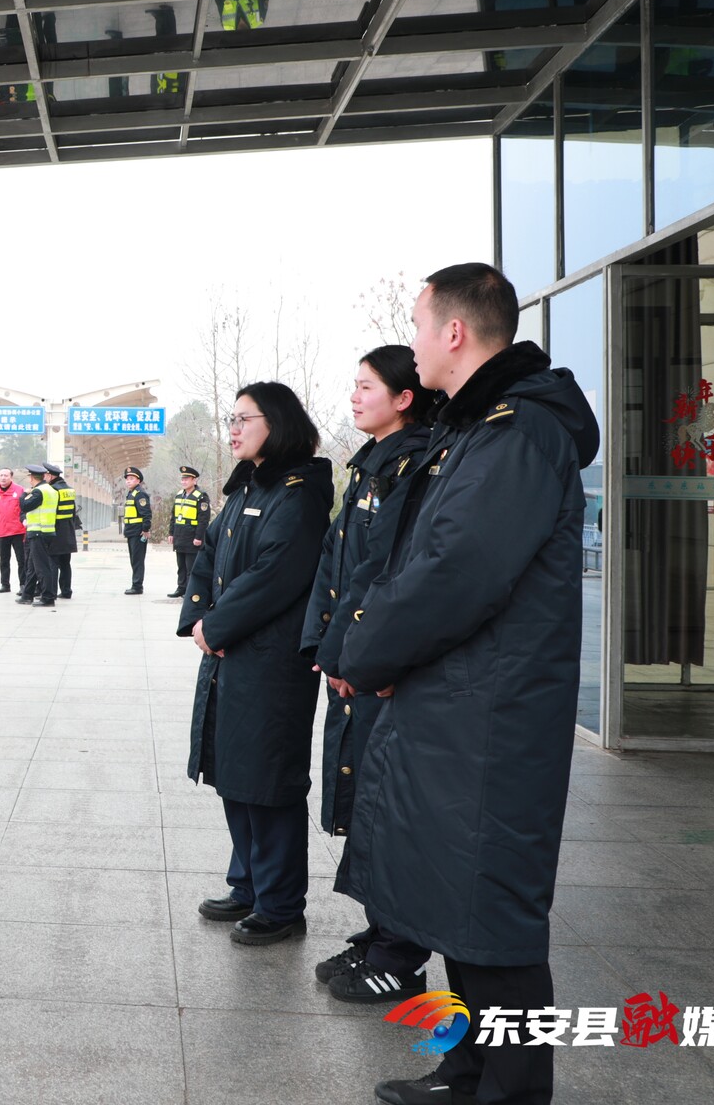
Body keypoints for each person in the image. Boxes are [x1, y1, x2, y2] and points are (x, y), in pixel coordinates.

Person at [339, 264, 599, 1105]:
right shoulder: (476, 426)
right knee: (456, 901)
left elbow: (455, 572)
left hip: (491, 713)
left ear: (454, 332)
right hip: (457, 702)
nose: (412, 342)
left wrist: (366, 651)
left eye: (418, 324)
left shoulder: (518, 432)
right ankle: (469, 1071)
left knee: (492, 915)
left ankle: (511, 1090)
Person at [297, 346, 434, 1004]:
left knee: (392, 809)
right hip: (355, 662)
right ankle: (380, 934)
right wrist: (326, 649)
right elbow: (336, 565)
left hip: (379, 671)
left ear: (404, 398)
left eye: (366, 387)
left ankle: (400, 955)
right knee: (366, 803)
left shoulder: (415, 466)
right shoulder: (370, 467)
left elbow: (386, 575)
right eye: (353, 386)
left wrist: (357, 658)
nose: (354, 397)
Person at [178, 382, 331, 948]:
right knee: (235, 774)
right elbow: (209, 553)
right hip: (231, 655)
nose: (234, 430)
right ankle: (247, 884)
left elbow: (275, 576)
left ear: (278, 423)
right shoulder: (247, 485)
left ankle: (280, 904)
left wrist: (216, 627)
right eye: (231, 419)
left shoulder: (299, 493)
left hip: (270, 662)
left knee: (269, 781)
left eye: (245, 419)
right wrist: (200, 620)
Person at [17, 464, 58, 607]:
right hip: (46, 531)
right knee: (32, 567)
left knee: (41, 567)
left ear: (32, 478)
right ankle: (27, 595)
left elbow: (24, 506)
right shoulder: (51, 490)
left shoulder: (38, 492)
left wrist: (24, 494)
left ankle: (48, 597)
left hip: (38, 532)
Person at [168, 465, 211, 597]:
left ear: (194, 480)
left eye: (187, 479)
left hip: (192, 537)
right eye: (182, 479)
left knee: (190, 567)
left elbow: (203, 519)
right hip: (179, 535)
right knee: (181, 566)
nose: (184, 481)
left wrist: (198, 537)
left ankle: (190, 591)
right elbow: (174, 516)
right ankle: (181, 588)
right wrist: (171, 533)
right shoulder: (179, 495)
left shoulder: (201, 496)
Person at [0, 467, 28, 593]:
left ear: (11, 477)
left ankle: (23, 585)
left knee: (22, 560)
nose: (3, 478)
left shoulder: (20, 490)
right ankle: (5, 584)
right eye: (1, 475)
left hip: (19, 532)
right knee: (4, 560)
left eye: (6, 475)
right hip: (2, 532)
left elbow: (25, 509)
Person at [45, 463, 77, 599]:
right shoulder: (69, 490)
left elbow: (49, 511)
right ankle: (66, 591)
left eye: (45, 475)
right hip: (68, 531)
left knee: (52, 563)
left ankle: (51, 592)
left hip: (55, 531)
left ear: (51, 476)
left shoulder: (52, 490)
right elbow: (73, 512)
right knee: (65, 563)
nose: (44, 478)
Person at [119, 465, 151, 594]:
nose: (128, 481)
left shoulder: (140, 494)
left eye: (131, 479)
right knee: (134, 559)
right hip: (131, 531)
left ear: (138, 481)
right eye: (127, 479)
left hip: (138, 532)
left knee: (137, 560)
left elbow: (146, 513)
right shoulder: (131, 494)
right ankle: (135, 584)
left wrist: (145, 529)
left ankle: (137, 586)